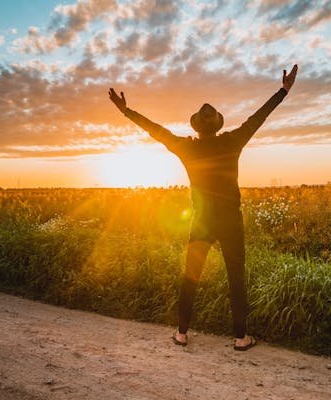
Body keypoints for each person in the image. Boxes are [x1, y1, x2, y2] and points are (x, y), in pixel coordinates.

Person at [108, 64, 298, 351]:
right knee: (236, 277)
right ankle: (240, 338)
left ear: (196, 127)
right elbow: (259, 117)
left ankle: (182, 334)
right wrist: (282, 91)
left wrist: (126, 111)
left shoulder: (187, 148)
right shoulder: (233, 141)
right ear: (218, 125)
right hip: (231, 220)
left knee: (190, 276)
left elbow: (155, 131)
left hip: (202, 220)